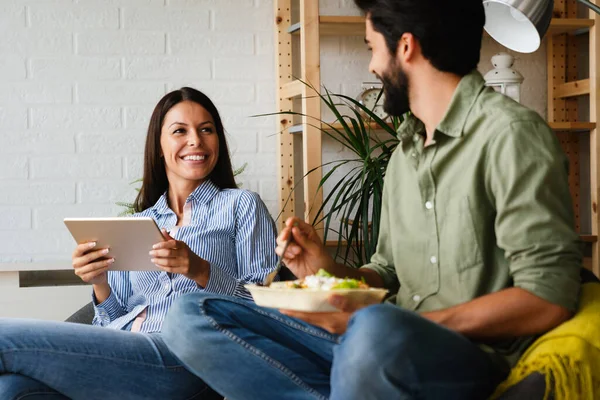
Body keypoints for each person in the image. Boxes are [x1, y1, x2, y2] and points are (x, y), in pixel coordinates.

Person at [161, 1, 583, 399]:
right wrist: (323, 270)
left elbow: (548, 295)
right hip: (373, 346)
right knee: (190, 316)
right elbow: (385, 273)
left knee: (376, 330)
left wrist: (394, 324)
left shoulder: (510, 136)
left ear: (405, 46)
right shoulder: (404, 157)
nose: (372, 66)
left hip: (461, 356)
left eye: (371, 48)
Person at [0, 87, 278, 400]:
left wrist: (199, 269)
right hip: (127, 355)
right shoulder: (140, 222)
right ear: (159, 146)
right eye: (179, 131)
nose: (196, 141)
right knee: (12, 390)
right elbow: (110, 318)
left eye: (206, 130)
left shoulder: (241, 206)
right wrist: (100, 282)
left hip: (188, 358)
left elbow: (267, 310)